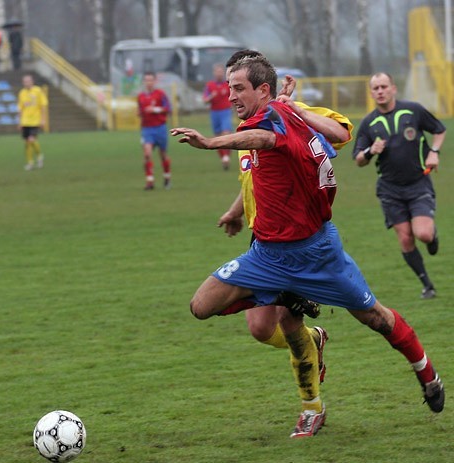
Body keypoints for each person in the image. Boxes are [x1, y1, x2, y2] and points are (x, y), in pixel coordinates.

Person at [171, 55, 445, 438]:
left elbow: (328, 133)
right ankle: (298, 319)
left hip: (316, 251)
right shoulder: (260, 116)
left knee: (375, 318)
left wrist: (216, 140)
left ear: (263, 90)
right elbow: (258, 170)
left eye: (238, 88)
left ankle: (426, 375)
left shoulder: (278, 119)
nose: (230, 96)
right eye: (229, 87)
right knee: (205, 307)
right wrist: (236, 211)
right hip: (266, 250)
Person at [352, 72, 446, 299]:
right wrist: (369, 151)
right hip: (390, 189)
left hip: (418, 183)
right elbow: (358, 160)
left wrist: (434, 153)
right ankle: (427, 285)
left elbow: (439, 130)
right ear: (371, 92)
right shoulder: (368, 123)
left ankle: (432, 237)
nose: (380, 91)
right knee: (405, 239)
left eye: (384, 86)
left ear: (393, 88)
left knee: (422, 234)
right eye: (375, 88)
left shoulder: (413, 110)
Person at [137, 71, 172, 190]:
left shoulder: (160, 94)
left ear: (155, 81)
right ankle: (149, 181)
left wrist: (155, 109)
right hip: (147, 129)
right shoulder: (140, 96)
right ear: (144, 82)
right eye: (146, 80)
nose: (149, 82)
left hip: (160, 128)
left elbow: (168, 108)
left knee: (162, 155)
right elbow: (140, 111)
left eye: (151, 80)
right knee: (147, 154)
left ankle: (167, 177)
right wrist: (140, 113)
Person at [203, 63, 233, 170]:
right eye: (217, 71)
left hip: (225, 112)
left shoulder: (227, 84)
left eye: (221, 72)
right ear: (214, 73)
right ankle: (223, 157)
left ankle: (226, 157)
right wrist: (211, 96)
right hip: (214, 113)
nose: (219, 74)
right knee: (217, 137)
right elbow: (205, 100)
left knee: (226, 133)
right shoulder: (210, 85)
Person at [17, 74, 48, 170]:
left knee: (31, 139)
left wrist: (43, 119)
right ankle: (30, 162)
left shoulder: (38, 91)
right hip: (25, 121)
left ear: (32, 81)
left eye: (28, 81)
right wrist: (20, 122)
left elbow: (43, 106)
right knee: (27, 142)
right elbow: (20, 109)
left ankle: (39, 155)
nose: (26, 83)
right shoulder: (21, 93)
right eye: (25, 81)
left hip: (35, 120)